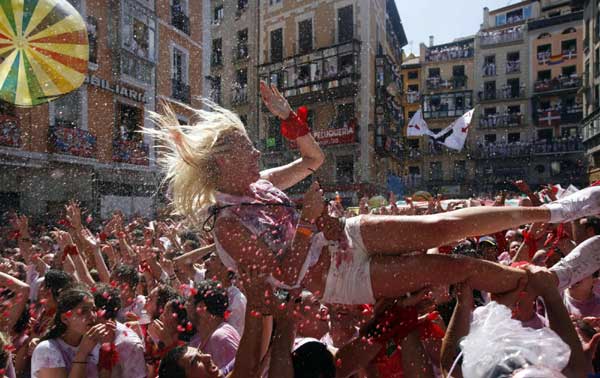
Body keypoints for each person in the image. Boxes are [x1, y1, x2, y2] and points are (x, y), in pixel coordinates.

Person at [148, 81, 600, 309]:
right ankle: (549, 282)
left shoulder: (262, 181)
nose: (254, 151)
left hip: (347, 235)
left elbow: (312, 161)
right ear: (222, 162)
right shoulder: (227, 227)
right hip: (339, 280)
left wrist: (288, 116)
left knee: (441, 225)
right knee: (454, 266)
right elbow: (283, 276)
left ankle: (557, 209)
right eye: (245, 147)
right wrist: (306, 220)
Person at [31, 287, 110, 378]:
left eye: (93, 310)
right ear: (65, 318)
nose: (92, 316)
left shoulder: (95, 345)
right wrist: (82, 353)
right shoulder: (47, 350)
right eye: (84, 311)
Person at [187, 280, 240, 370]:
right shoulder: (201, 339)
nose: (185, 305)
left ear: (201, 308)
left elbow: (241, 372)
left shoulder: (221, 338)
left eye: (189, 301)